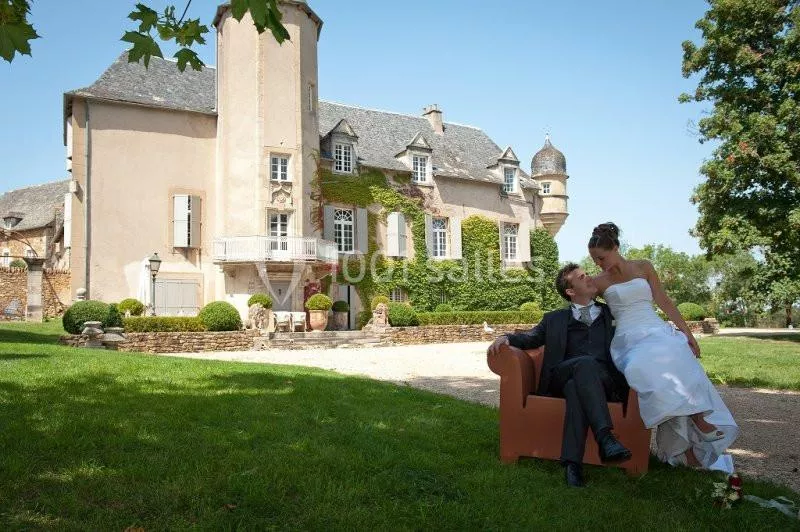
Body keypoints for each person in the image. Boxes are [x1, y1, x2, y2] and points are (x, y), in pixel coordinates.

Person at [587, 222, 738, 470]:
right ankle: (695, 426)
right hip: (629, 340)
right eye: (594, 260)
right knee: (644, 367)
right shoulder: (598, 282)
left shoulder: (643, 266)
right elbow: (579, 301)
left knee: (676, 355)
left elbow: (664, 301)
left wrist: (688, 334)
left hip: (656, 331)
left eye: (601, 258)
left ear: (615, 248)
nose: (598, 264)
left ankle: (693, 437)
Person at [488, 264, 632, 487]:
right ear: (570, 291)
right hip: (560, 378)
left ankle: (573, 465)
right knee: (583, 365)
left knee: (576, 387)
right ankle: (605, 437)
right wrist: (507, 338)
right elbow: (531, 337)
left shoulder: (613, 314)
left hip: (604, 382)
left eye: (587, 274)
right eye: (582, 277)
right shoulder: (554, 319)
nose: (589, 278)